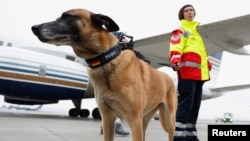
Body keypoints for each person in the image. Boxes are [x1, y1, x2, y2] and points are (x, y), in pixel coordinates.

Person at [169, 4, 212, 141]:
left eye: (191, 10)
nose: (189, 12)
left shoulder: (196, 33)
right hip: (187, 73)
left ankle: (191, 136)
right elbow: (175, 45)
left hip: (199, 76)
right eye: (186, 11)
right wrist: (175, 60)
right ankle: (179, 137)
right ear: (182, 15)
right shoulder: (180, 30)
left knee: (195, 107)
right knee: (185, 106)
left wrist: (207, 64)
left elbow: (201, 53)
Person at [100, 31, 150, 136]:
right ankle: (115, 126)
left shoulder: (126, 54)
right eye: (124, 39)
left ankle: (107, 126)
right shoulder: (112, 55)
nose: (127, 42)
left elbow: (146, 61)